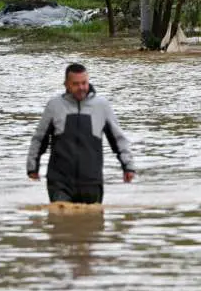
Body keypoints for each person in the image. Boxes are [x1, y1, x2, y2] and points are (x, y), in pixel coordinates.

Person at [27, 63, 136, 204]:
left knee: (92, 223)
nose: (81, 88)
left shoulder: (101, 106)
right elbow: (39, 139)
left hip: (91, 182)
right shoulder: (54, 106)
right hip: (60, 182)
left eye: (84, 83)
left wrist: (128, 166)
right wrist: (32, 167)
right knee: (60, 221)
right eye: (76, 84)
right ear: (66, 84)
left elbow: (118, 139)